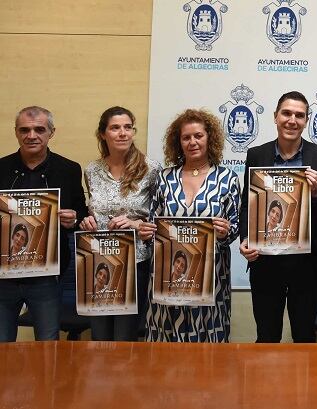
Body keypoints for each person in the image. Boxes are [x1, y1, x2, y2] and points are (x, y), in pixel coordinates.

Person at [239, 91, 317, 343]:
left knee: (304, 336)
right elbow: (246, 205)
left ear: (306, 121)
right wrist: (246, 239)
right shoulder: (256, 155)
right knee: (267, 336)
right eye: (287, 113)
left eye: (299, 115)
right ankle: (266, 384)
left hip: (306, 264)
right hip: (265, 262)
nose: (292, 120)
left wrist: (316, 193)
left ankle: (305, 384)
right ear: (275, 116)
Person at [147, 109, 240, 343]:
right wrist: (147, 230)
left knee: (207, 340)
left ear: (209, 138)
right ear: (178, 142)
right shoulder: (164, 177)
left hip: (212, 276)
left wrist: (225, 231)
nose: (192, 142)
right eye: (186, 137)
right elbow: (152, 221)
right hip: (168, 274)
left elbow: (236, 225)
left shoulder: (227, 178)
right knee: (166, 340)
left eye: (198, 135)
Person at [0, 106, 88, 342]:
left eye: (39, 129)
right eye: (24, 130)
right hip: (4, 277)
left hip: (46, 277)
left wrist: (74, 219)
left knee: (48, 344)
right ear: (16, 132)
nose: (31, 135)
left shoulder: (68, 169)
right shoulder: (1, 168)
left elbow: (81, 212)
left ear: (51, 132)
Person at [79, 106, 161, 341]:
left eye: (128, 127)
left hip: (134, 262)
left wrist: (136, 224)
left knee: (125, 339)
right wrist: (87, 220)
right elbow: (92, 209)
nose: (123, 133)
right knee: (100, 336)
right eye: (115, 128)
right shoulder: (92, 170)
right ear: (103, 134)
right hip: (97, 262)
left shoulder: (151, 168)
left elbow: (159, 217)